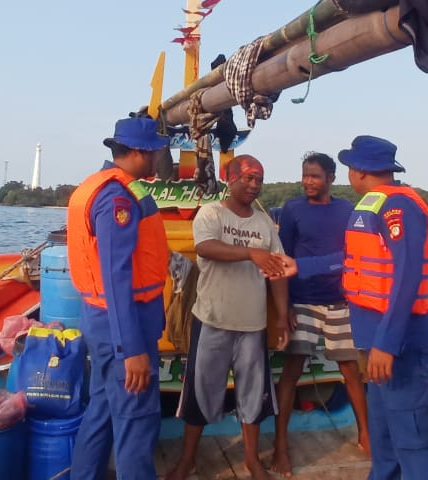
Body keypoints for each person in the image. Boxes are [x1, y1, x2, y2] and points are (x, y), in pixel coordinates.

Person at [165, 155, 297, 480]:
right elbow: (206, 248)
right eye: (249, 178)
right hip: (211, 320)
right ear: (230, 178)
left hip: (252, 325)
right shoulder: (211, 214)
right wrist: (251, 253)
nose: (254, 185)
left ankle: (252, 461)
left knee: (252, 397)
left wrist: (281, 316)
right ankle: (188, 460)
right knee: (198, 393)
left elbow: (278, 270)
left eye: (259, 180)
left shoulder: (264, 223)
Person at [66, 116, 171, 480]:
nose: (159, 158)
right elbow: (116, 275)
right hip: (124, 329)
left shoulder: (103, 186)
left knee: (103, 411)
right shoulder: (116, 198)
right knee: (136, 421)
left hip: (101, 321)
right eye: (156, 152)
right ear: (140, 152)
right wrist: (133, 350)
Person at [338, 135, 428, 480]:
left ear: (359, 171)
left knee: (412, 442)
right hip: (376, 342)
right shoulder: (374, 204)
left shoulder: (400, 207)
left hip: (399, 344)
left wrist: (387, 343)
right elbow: (355, 262)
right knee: (383, 441)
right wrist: (299, 266)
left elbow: (408, 272)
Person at [270, 152, 368, 477]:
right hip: (303, 302)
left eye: (314, 176)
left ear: (330, 178)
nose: (307, 181)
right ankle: (280, 447)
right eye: (304, 175)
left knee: (350, 370)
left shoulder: (347, 210)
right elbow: (283, 259)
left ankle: (366, 435)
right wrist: (284, 311)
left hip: (339, 302)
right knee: (292, 372)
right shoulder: (293, 209)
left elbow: (354, 254)